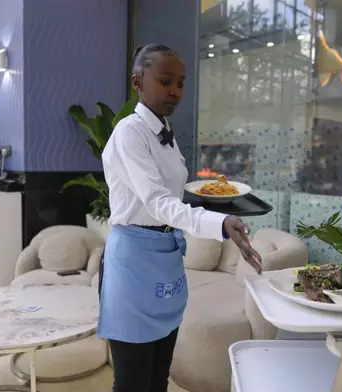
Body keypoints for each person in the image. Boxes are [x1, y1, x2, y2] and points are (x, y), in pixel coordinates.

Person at [97, 44, 263, 392]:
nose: (176, 90)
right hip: (134, 262)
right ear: (137, 82)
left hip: (166, 257)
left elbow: (174, 194)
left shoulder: (165, 132)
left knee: (160, 375)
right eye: (166, 80)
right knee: (132, 382)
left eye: (181, 83)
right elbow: (157, 202)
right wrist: (218, 224)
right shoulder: (130, 132)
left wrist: (224, 214)